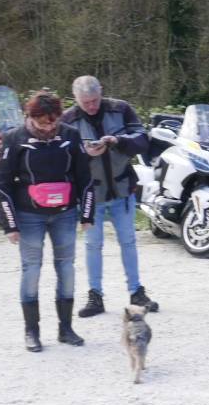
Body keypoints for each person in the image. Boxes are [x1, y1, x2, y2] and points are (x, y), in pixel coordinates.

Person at [0, 91, 95, 352]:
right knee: (31, 269)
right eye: (42, 124)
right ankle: (32, 331)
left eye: (53, 123)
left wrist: (87, 214)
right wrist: (10, 224)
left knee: (66, 268)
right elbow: (2, 183)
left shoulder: (71, 135)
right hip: (29, 215)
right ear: (30, 117)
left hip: (65, 213)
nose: (49, 128)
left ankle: (66, 328)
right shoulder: (14, 138)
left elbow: (85, 177)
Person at [62, 76, 157, 319]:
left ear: (101, 92)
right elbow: (62, 157)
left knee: (128, 242)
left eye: (95, 100)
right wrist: (84, 152)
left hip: (122, 189)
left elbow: (143, 139)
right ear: (76, 99)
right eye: (86, 102)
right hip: (90, 194)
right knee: (93, 245)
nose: (91, 106)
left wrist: (117, 141)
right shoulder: (68, 120)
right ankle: (95, 296)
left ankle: (136, 293)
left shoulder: (121, 109)